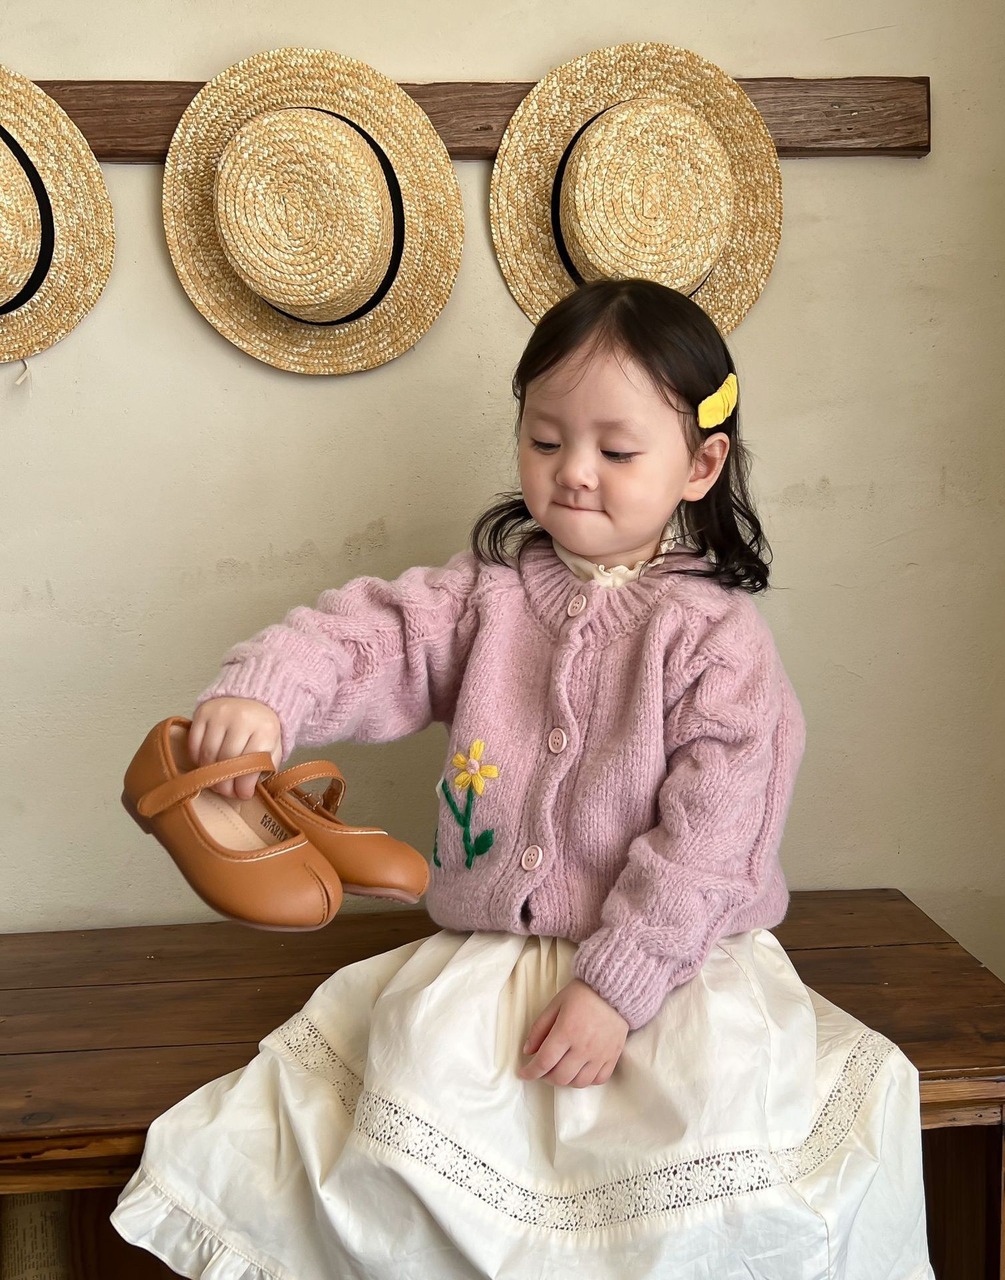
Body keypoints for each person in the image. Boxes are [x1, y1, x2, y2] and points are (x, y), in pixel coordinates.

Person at [111, 278, 935, 1279]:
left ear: (700, 464)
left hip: (670, 973)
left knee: (697, 1201)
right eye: (545, 439)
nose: (574, 472)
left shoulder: (715, 643)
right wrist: (266, 693)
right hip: (489, 966)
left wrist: (615, 989)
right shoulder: (484, 599)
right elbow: (369, 637)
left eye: (616, 451)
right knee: (385, 1162)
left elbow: (711, 843)